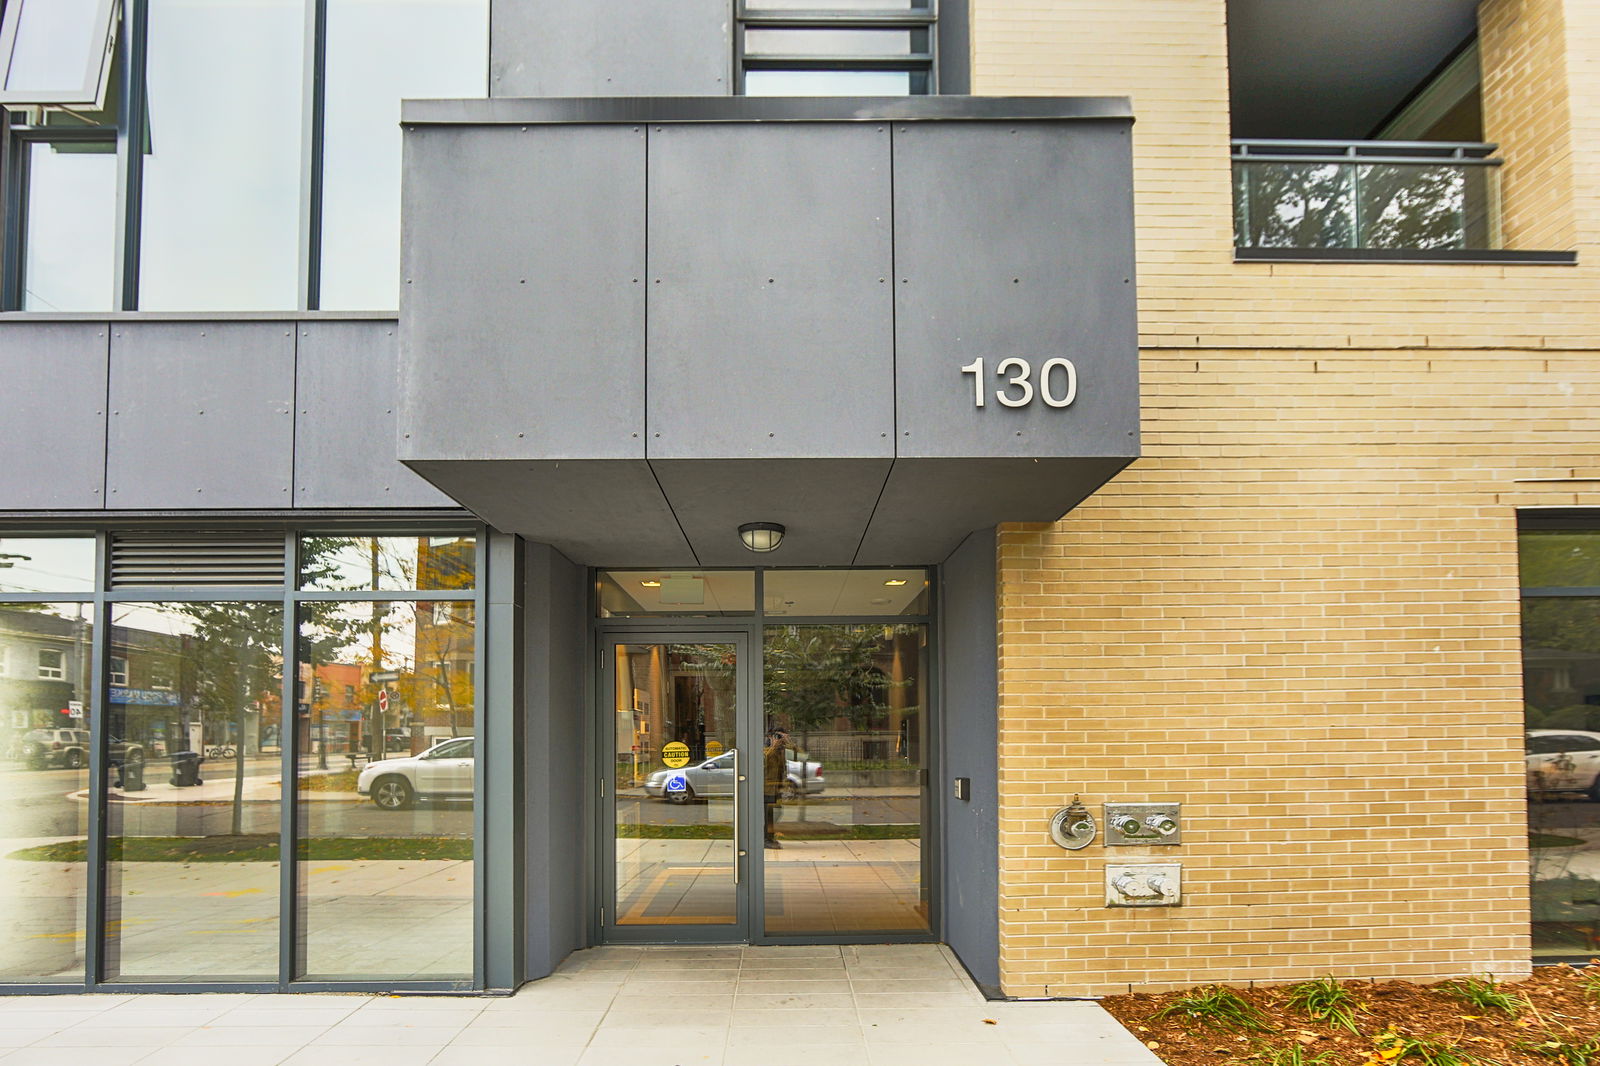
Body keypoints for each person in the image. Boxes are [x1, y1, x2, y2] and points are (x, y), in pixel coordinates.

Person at [763, 728, 788, 849]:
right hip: (765, 788)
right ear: (770, 737)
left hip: (775, 788)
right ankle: (765, 838)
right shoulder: (765, 750)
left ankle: (769, 837)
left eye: (780, 738)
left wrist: (786, 743)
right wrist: (773, 746)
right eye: (777, 737)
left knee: (775, 813)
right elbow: (765, 761)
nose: (779, 740)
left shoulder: (779, 751)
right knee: (767, 814)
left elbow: (783, 767)